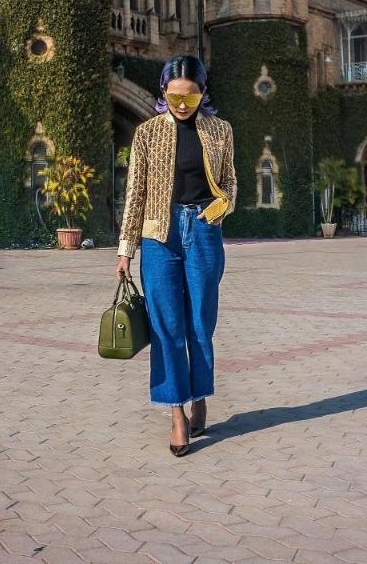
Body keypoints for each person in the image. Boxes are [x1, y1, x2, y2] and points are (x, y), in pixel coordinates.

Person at [116, 55, 237, 456]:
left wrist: (222, 207)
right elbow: (135, 194)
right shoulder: (147, 133)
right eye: (174, 96)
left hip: (203, 231)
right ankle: (177, 414)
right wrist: (125, 250)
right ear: (162, 92)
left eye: (190, 96)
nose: (182, 104)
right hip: (158, 235)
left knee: (201, 323)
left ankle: (200, 393)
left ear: (203, 93)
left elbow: (230, 182)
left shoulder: (221, 131)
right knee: (166, 328)